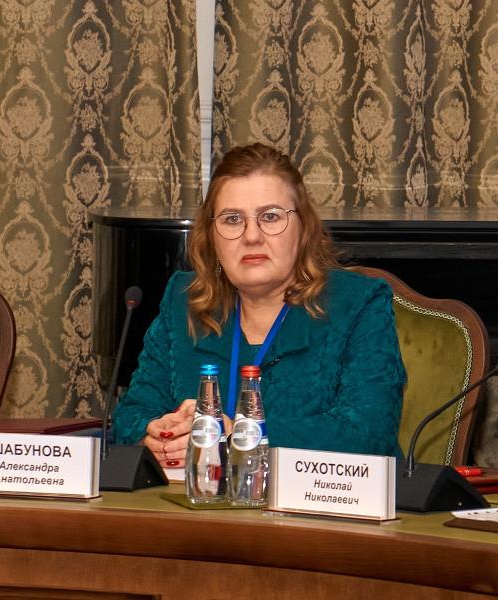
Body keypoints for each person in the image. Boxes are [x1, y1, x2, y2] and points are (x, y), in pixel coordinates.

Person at [112, 143, 406, 466]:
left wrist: (239, 435)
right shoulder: (183, 301)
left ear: (304, 229)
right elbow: (131, 413)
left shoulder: (358, 303)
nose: (252, 236)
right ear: (211, 236)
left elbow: (369, 433)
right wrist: (154, 434)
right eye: (232, 219)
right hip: (196, 496)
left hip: (317, 498)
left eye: (270, 216)